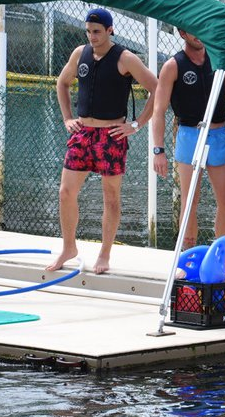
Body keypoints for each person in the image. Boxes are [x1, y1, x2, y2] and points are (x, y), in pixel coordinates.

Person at [48, 8, 158, 274]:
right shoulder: (80, 53)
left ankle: (105, 254)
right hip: (83, 133)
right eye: (88, 31)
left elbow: (158, 88)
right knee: (65, 192)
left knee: (110, 198)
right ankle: (68, 247)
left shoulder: (126, 58)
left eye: (97, 31)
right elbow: (62, 83)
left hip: (111, 135)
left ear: (110, 30)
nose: (92, 36)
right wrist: (67, 118)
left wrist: (136, 124)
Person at [152, 29, 225, 250]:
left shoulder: (220, 61)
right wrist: (158, 150)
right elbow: (158, 110)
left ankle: (221, 257)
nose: (199, 33)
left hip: (218, 135)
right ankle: (187, 258)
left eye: (202, 28)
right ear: (181, 32)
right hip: (189, 135)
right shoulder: (173, 65)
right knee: (189, 202)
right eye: (193, 29)